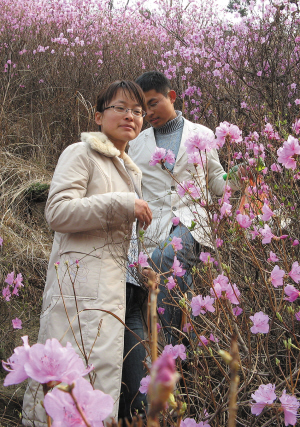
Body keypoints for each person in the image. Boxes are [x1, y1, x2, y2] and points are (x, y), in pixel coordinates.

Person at [22, 80, 154, 426]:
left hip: (119, 293)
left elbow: (116, 241)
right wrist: (124, 203)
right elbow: (58, 212)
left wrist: (141, 269)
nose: (131, 116)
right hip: (81, 294)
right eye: (120, 108)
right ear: (98, 116)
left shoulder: (127, 169)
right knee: (70, 386)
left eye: (138, 112)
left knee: (102, 389)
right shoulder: (81, 153)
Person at [128, 71, 238, 345]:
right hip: (155, 226)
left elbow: (216, 181)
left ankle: (172, 347)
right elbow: (133, 192)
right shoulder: (137, 144)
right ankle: (184, 352)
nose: (149, 113)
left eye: (153, 103)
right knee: (176, 277)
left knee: (166, 260)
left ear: (172, 97)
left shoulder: (201, 134)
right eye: (144, 108)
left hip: (192, 221)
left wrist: (237, 174)